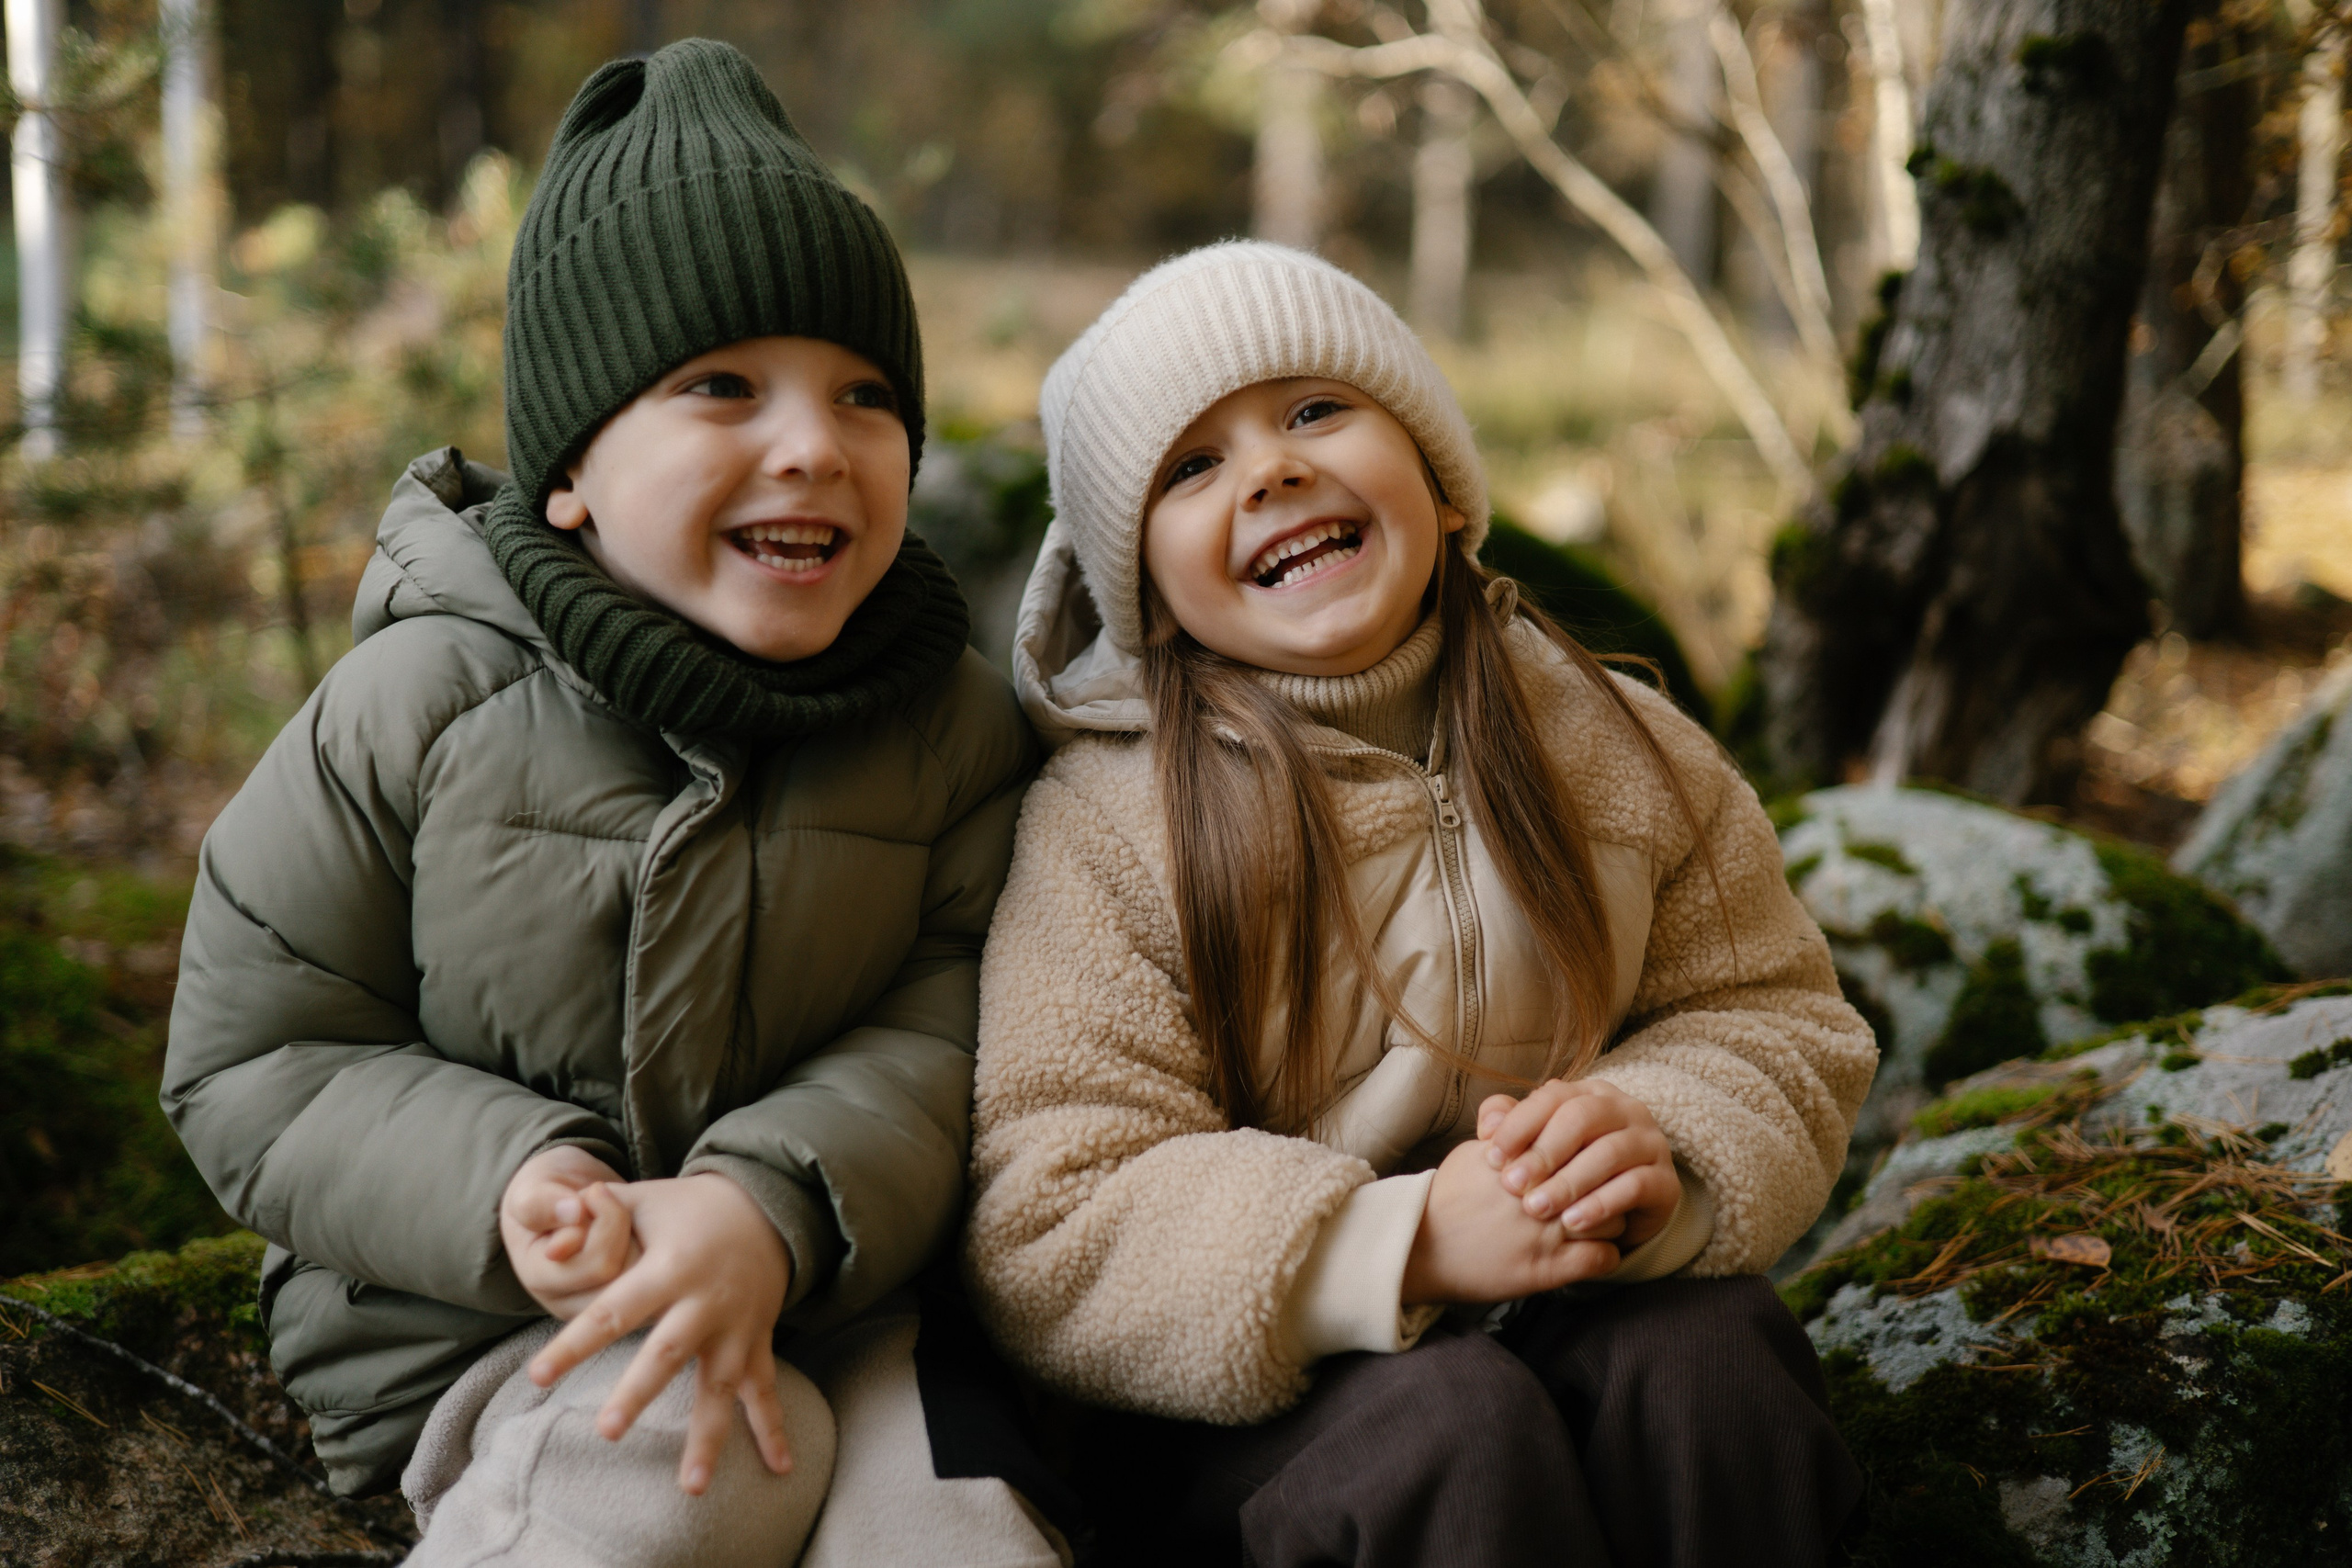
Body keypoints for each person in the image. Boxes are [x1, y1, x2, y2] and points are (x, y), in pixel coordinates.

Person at [163, 39, 1065, 1568]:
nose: (813, 446)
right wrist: (515, 1179)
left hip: (833, 1282)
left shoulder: (953, 727)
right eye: (722, 387)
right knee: (695, 1464)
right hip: (480, 1310)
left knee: (952, 1517)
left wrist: (769, 1205)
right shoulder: (421, 704)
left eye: (865, 397)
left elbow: (949, 1031)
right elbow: (257, 1051)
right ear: (570, 470)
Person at [964, 242, 1877, 1567]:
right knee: (1453, 1427)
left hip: (1570, 1292)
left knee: (1710, 1358)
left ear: (1442, 482)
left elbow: (1775, 1013)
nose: (1270, 470)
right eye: (1192, 466)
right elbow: (1054, 1208)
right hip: (1254, 1415)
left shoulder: (1614, 742)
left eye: (1315, 409)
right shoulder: (1110, 825)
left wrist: (1660, 1142)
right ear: (1143, 587)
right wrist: (1405, 1242)